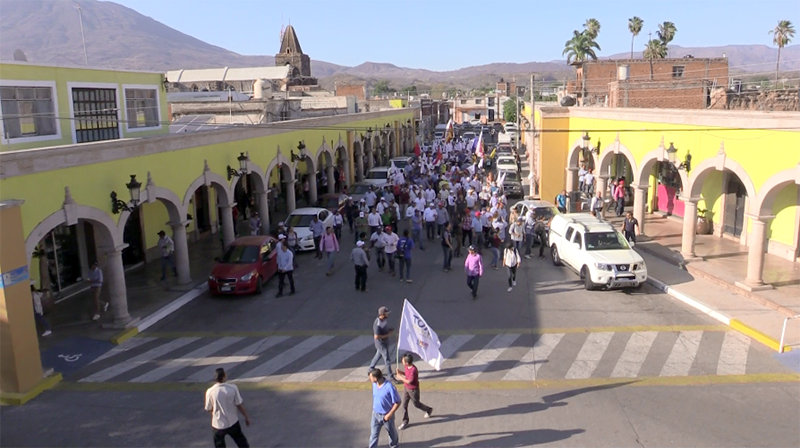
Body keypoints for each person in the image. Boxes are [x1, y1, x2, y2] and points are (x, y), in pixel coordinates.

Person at [205, 368, 251, 448]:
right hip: (232, 422)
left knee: (219, 445)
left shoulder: (210, 391)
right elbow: (239, 405)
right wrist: (246, 417)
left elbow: (209, 408)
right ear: (223, 377)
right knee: (241, 442)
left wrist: (215, 415)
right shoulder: (232, 388)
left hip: (218, 425)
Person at [396, 353, 433, 430]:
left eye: (403, 360)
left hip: (413, 390)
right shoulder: (406, 366)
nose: (401, 361)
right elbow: (406, 374)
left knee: (416, 404)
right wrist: (401, 372)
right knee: (404, 405)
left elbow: (409, 381)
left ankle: (428, 409)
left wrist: (400, 377)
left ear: (406, 362)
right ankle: (405, 421)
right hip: (406, 388)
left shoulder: (414, 370)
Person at [368, 368, 401, 448]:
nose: (370, 379)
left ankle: (394, 446)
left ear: (376, 378)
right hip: (375, 414)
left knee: (392, 433)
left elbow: (398, 402)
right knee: (373, 435)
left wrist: (389, 414)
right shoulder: (374, 384)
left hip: (387, 416)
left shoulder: (389, 387)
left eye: (371, 377)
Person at [368, 306, 397, 381]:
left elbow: (384, 329)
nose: (388, 314)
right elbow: (376, 336)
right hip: (381, 344)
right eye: (386, 313)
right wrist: (387, 335)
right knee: (387, 360)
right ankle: (390, 376)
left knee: (378, 355)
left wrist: (389, 330)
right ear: (382, 314)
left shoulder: (384, 320)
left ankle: (371, 368)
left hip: (384, 342)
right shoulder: (377, 324)